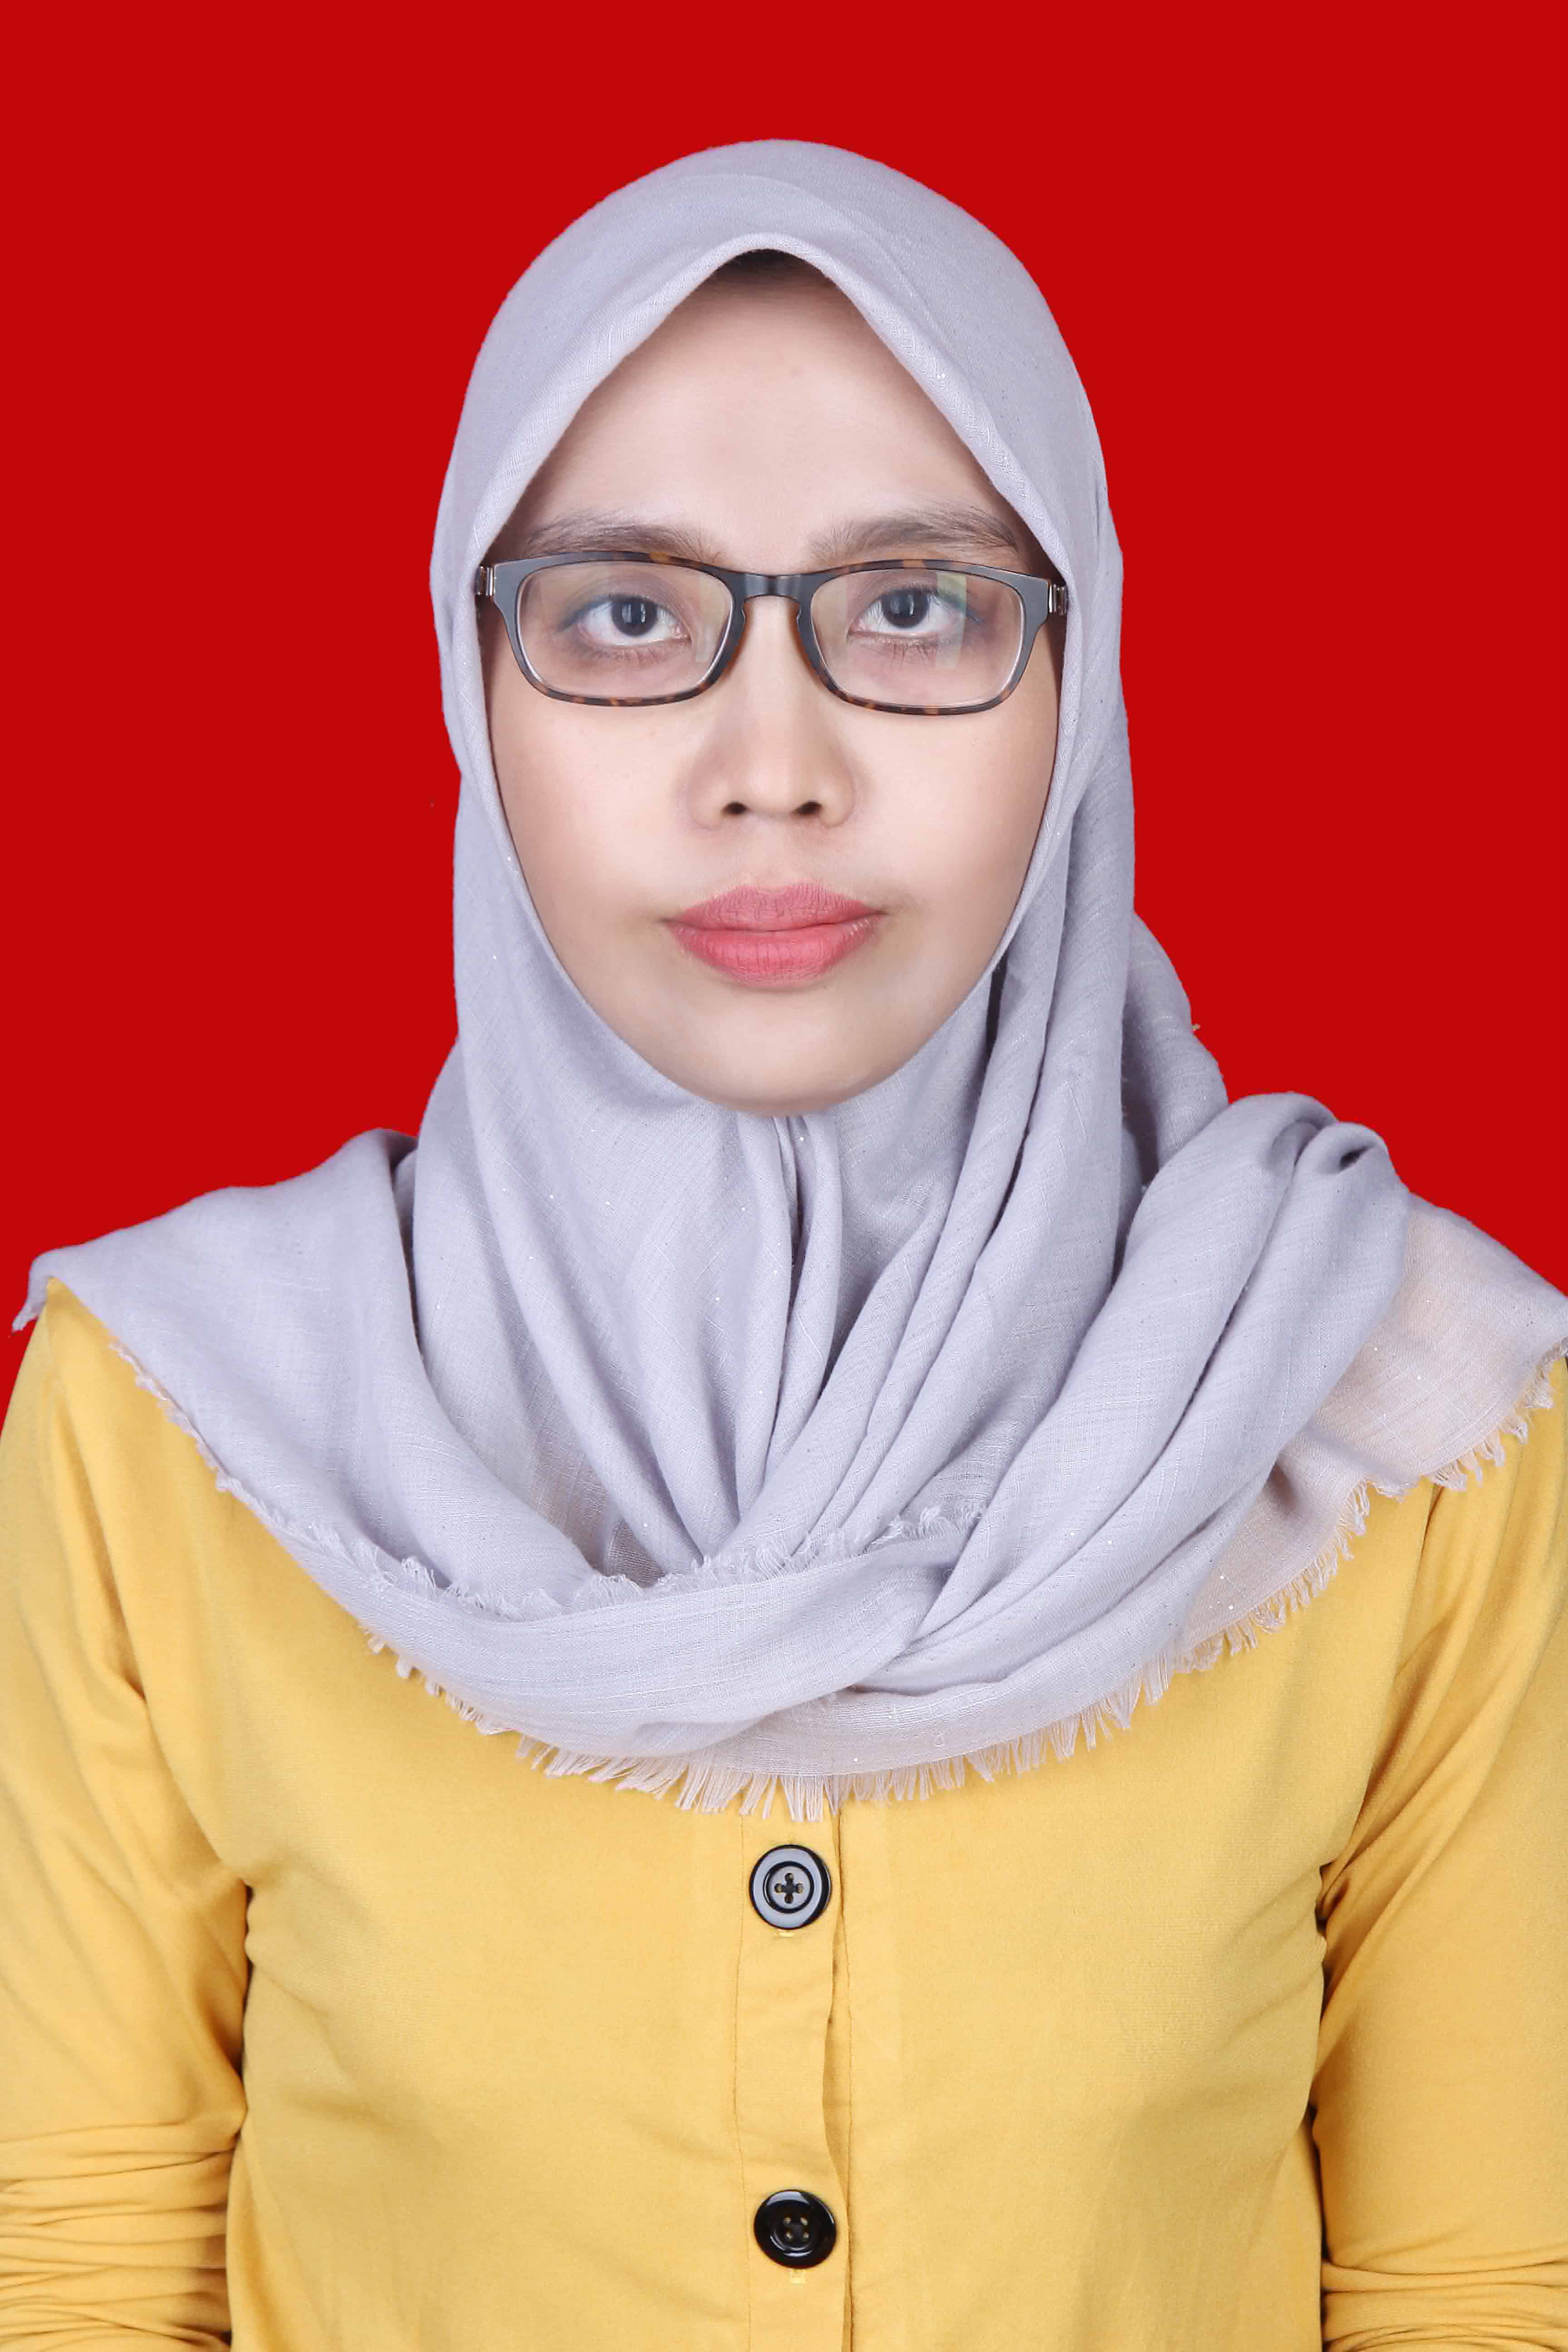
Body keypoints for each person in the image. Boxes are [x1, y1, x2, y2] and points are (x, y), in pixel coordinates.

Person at [1, 140, 1564, 2352]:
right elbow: (74, 2270)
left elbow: (1481, 2294)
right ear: (472, 690)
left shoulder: (1398, 1414)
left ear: (1082, 681)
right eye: (627, 616)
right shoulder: (175, 1423)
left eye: (913, 607)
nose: (772, 768)